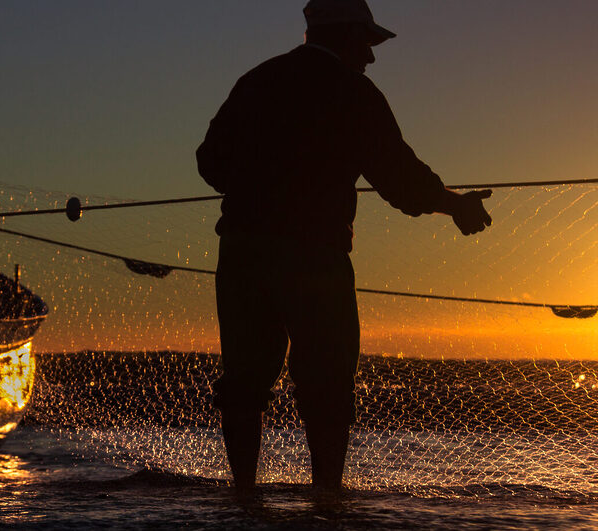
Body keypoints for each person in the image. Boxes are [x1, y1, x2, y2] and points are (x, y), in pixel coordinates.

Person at [196, 0, 493, 494]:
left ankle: (243, 497)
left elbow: (210, 163)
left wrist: (258, 184)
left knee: (245, 381)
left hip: (244, 255)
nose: (372, 57)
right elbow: (400, 180)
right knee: (327, 383)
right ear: (346, 35)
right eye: (367, 44)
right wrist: (455, 204)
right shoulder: (354, 93)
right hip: (316, 258)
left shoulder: (257, 80)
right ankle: (327, 501)